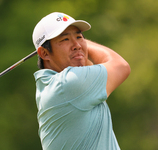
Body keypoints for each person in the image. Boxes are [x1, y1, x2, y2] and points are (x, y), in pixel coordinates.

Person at [32, 12, 131, 150]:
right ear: (44, 53)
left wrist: (79, 47)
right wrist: (83, 45)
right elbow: (121, 67)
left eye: (79, 36)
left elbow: (88, 66)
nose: (77, 44)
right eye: (65, 39)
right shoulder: (68, 84)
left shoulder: (51, 86)